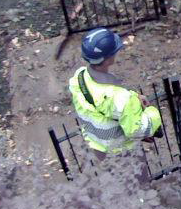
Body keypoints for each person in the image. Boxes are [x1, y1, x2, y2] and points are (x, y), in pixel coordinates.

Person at [69, 28, 162, 158]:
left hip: (97, 145)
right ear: (107, 59)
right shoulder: (121, 98)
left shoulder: (79, 76)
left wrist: (134, 98)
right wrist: (152, 114)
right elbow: (136, 130)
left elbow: (104, 102)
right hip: (122, 152)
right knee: (134, 178)